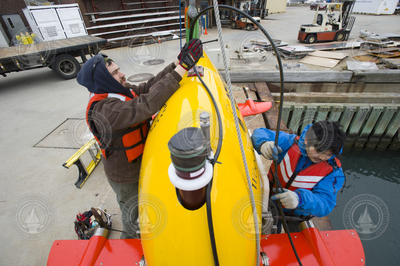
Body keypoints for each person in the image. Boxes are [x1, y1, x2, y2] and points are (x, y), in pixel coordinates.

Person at [76, 39, 203, 238]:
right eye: (115, 73)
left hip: (139, 164)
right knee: (133, 218)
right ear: (102, 80)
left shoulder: (119, 91)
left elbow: (147, 88)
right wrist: (182, 69)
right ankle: (131, 246)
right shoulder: (103, 111)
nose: (122, 74)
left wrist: (177, 64)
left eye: (119, 69)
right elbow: (144, 105)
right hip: (125, 176)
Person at [251, 121, 346, 218]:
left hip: (292, 214)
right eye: (318, 150)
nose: (321, 157)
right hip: (267, 194)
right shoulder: (290, 143)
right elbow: (259, 133)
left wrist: (300, 199)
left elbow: (325, 204)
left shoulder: (333, 173)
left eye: (328, 154)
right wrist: (263, 144)